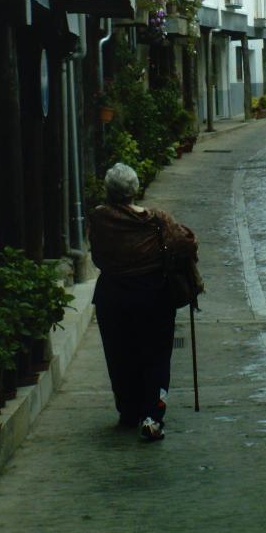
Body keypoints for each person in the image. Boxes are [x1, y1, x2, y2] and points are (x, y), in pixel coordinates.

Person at [88, 162, 199, 442]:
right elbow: (185, 244)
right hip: (153, 295)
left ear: (108, 191)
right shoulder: (157, 220)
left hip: (113, 296)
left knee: (119, 354)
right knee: (156, 355)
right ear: (135, 189)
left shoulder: (99, 219)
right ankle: (152, 416)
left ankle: (128, 411)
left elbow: (97, 257)